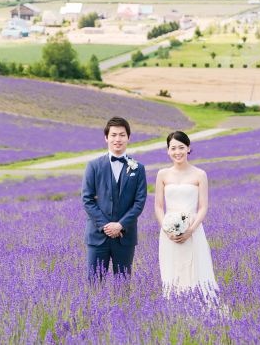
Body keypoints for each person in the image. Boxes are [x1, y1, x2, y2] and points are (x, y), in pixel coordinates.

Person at [82, 116, 148, 280]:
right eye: (113, 135)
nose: (117, 139)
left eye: (122, 135)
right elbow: (87, 199)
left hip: (125, 237)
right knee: (95, 287)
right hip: (97, 237)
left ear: (128, 138)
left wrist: (120, 225)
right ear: (106, 138)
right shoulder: (93, 165)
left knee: (123, 287)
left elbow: (139, 202)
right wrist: (106, 226)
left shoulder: (138, 168)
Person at [154, 131, 218, 295]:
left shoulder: (199, 174)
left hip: (193, 229)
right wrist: (167, 230)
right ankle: (175, 309)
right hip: (168, 231)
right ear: (168, 150)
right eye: (173, 148)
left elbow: (203, 207)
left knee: (195, 269)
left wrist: (190, 230)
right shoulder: (163, 174)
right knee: (171, 271)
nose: (177, 152)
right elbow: (158, 206)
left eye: (181, 147)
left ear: (188, 148)